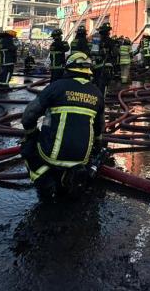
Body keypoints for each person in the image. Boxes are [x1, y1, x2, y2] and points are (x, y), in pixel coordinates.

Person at [20, 51, 105, 200]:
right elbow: (99, 127)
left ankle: (44, 180)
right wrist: (97, 143)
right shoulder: (97, 93)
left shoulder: (57, 87)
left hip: (51, 155)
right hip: (81, 159)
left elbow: (29, 115)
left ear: (68, 68)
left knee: (27, 146)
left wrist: (31, 132)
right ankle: (70, 176)